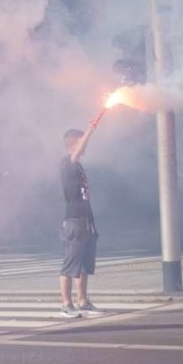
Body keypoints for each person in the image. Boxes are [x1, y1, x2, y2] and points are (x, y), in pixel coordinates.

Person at [59, 123, 103, 318]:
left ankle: (83, 301)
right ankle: (66, 304)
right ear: (73, 144)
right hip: (74, 219)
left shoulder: (78, 165)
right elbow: (78, 151)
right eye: (81, 142)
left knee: (85, 261)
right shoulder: (67, 162)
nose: (84, 146)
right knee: (71, 262)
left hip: (86, 219)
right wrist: (90, 131)